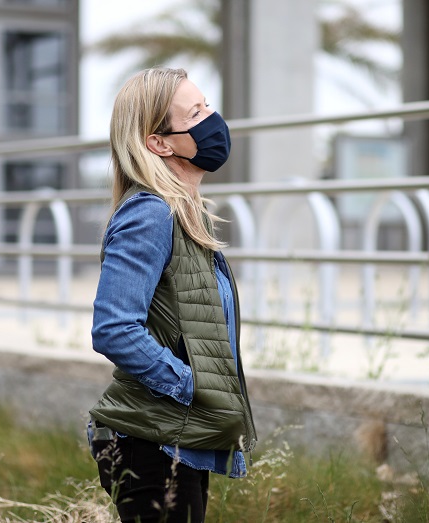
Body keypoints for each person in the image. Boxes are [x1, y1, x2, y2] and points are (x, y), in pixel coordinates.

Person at [87, 67, 257, 523]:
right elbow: (113, 329)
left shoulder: (182, 214)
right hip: (149, 442)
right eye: (196, 112)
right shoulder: (150, 214)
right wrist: (191, 386)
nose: (212, 121)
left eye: (207, 107)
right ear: (159, 143)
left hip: (172, 435)